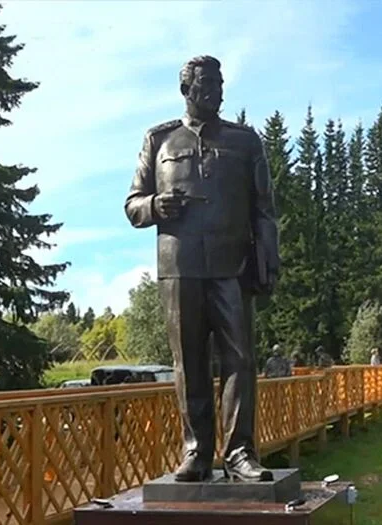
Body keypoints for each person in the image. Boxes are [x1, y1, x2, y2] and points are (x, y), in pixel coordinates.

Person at [124, 55, 279, 483]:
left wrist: (269, 258)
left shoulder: (246, 142)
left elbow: (264, 208)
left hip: (233, 265)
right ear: (186, 90)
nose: (217, 90)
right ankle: (196, 452)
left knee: (241, 359)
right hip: (180, 265)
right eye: (207, 83)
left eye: (220, 83)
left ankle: (241, 453)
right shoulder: (159, 140)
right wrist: (155, 206)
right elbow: (133, 204)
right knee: (188, 361)